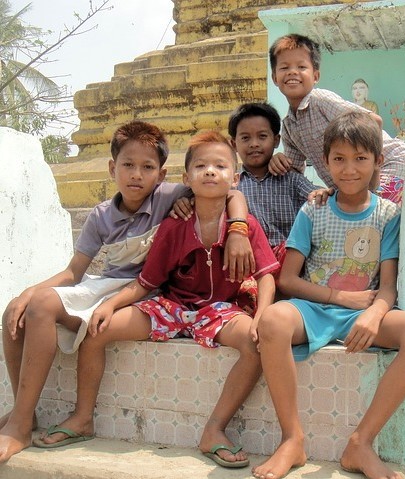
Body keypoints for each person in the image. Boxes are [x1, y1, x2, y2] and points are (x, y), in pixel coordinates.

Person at [0, 121, 254, 462]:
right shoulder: (101, 215)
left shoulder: (172, 195)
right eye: (128, 165)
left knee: (42, 304)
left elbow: (232, 192)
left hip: (145, 294)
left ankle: (19, 428)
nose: (137, 175)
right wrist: (30, 289)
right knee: (18, 307)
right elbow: (74, 272)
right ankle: (23, 414)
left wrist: (237, 228)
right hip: (107, 286)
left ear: (162, 175)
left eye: (148, 167)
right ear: (112, 168)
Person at [252, 111, 405, 479]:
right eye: (338, 159)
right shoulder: (314, 209)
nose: (349, 169)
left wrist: (374, 312)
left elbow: (387, 286)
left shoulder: (388, 214)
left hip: (364, 313)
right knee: (273, 320)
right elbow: (288, 279)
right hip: (316, 307)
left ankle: (361, 443)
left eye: (360, 159)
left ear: (377, 162)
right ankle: (292, 439)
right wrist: (339, 297)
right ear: (326, 163)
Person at [268, 33, 405, 205]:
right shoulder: (289, 126)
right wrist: (278, 161)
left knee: (375, 222)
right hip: (355, 183)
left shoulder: (320, 100)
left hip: (390, 165)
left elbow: (374, 121)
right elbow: (294, 173)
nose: (292, 72)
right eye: (284, 68)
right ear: (275, 78)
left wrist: (373, 180)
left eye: (301, 67)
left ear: (316, 76)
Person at [228, 102, 332, 264]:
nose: (254, 143)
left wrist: (321, 193)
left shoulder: (290, 179)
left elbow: (318, 194)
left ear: (276, 140)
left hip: (292, 262)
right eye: (245, 138)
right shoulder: (232, 185)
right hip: (253, 264)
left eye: (262, 136)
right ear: (234, 144)